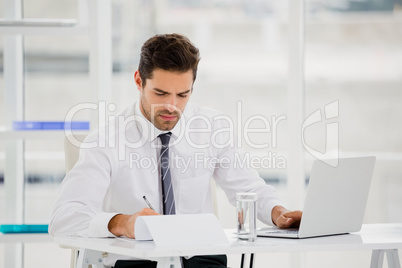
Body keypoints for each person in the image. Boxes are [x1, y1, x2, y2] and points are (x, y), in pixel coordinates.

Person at [49, 33, 302, 268]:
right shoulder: (106, 139)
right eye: (160, 93)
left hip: (199, 258)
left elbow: (248, 189)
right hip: (135, 259)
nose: (172, 106)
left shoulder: (212, 128)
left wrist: (278, 213)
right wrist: (121, 223)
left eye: (183, 94)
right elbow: (64, 217)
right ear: (139, 80)